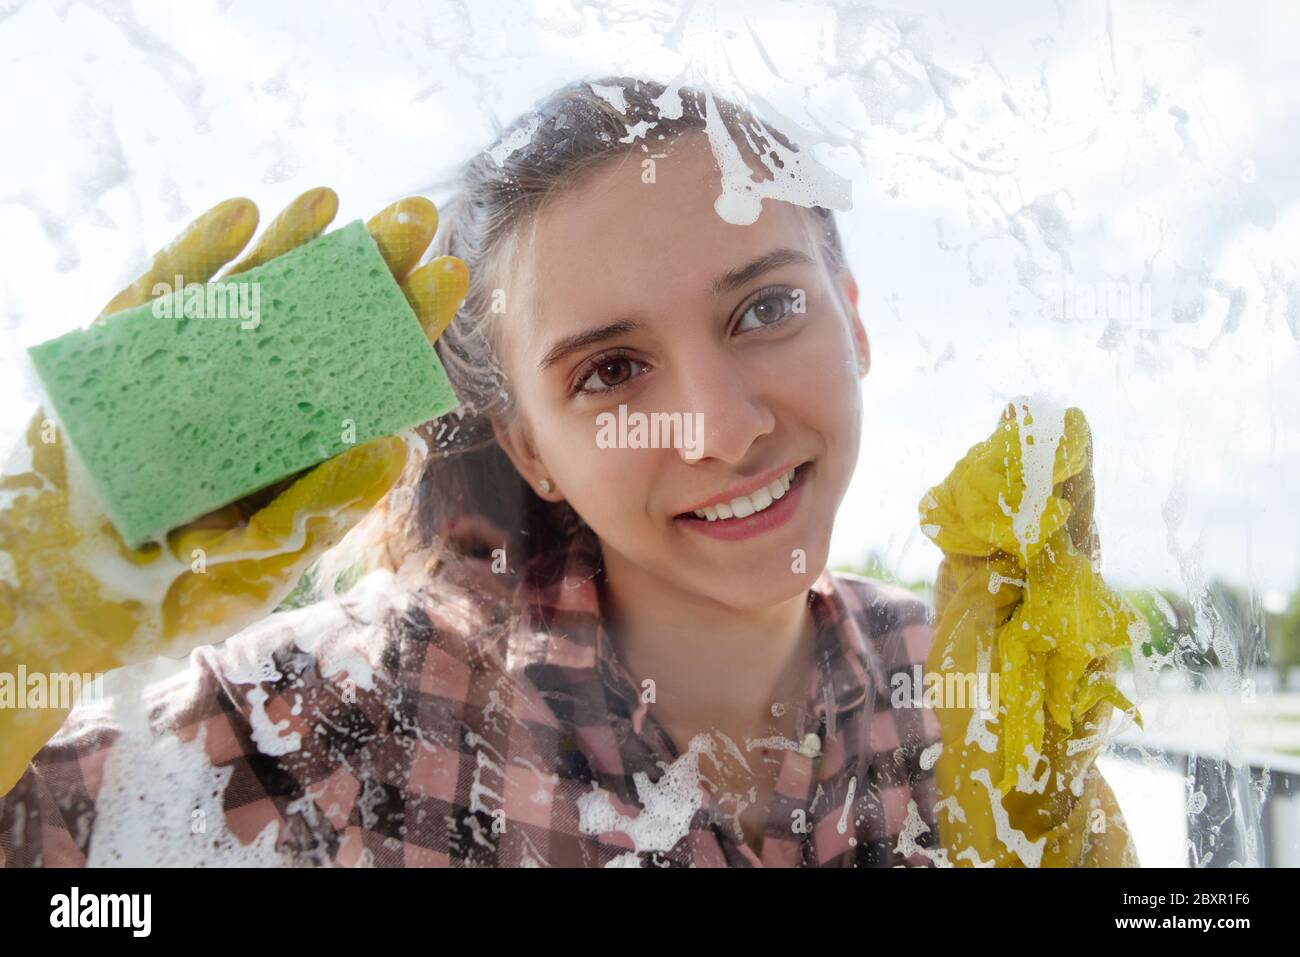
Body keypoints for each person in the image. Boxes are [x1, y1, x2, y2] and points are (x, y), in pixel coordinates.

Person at [0, 74, 1130, 867]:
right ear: (528, 444)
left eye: (765, 308)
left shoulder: (966, 688)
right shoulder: (344, 710)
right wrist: (21, 618)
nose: (723, 430)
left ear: (854, 320)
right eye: (612, 371)